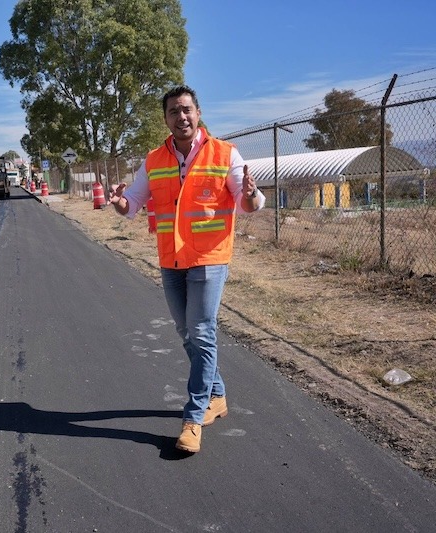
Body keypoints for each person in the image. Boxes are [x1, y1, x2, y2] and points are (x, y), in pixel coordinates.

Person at [108, 85, 265, 454]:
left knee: (202, 332)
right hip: (171, 259)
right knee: (186, 333)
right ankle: (218, 396)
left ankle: (193, 418)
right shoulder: (154, 160)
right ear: (165, 118)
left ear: (198, 113)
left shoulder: (225, 154)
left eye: (187, 109)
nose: (181, 116)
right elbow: (132, 204)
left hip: (209, 258)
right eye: (174, 111)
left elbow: (249, 202)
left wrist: (250, 195)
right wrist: (118, 202)